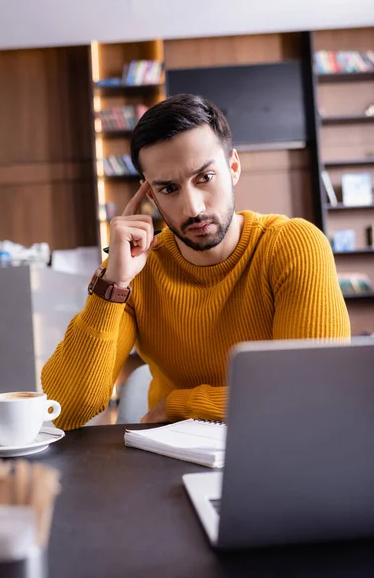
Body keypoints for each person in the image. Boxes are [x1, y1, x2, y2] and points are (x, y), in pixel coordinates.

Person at [42, 94, 350, 430]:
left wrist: (180, 404)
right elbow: (65, 410)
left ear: (233, 168)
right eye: (169, 189)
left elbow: (315, 394)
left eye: (204, 178)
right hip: (169, 462)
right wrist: (112, 283)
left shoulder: (292, 246)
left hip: (280, 450)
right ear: (151, 196)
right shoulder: (139, 271)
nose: (193, 208)